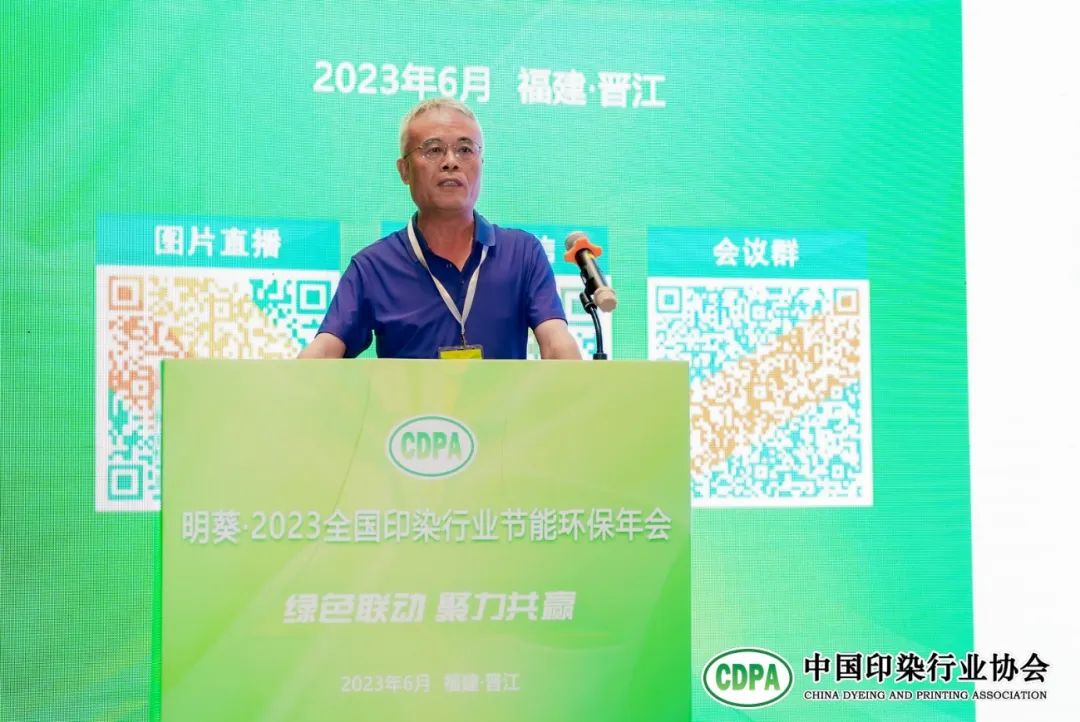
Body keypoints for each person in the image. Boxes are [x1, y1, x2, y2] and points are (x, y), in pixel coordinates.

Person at [299, 98, 581, 360]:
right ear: (404, 170)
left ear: (481, 164)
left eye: (465, 150)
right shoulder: (373, 267)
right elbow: (323, 353)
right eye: (433, 150)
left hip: (502, 402)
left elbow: (557, 342)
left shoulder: (521, 254)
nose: (451, 162)